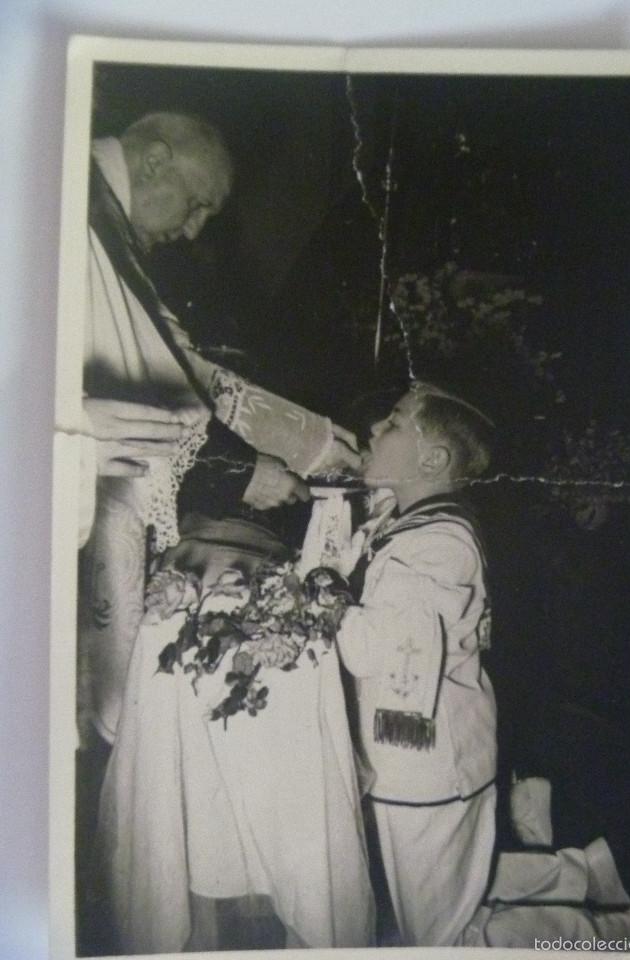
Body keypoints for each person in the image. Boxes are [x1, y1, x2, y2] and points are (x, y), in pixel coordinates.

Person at [80, 111, 372, 953]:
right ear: (157, 154)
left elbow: (191, 376)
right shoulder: (55, 193)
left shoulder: (112, 229)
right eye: (200, 204)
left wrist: (314, 441)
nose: (198, 228)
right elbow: (183, 390)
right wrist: (292, 452)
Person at [336, 382, 497, 946]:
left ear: (433, 460)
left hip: (428, 759)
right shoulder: (404, 523)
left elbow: (368, 648)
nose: (376, 428)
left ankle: (616, 934)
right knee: (431, 896)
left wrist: (329, 602)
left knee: (437, 931)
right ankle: (587, 879)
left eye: (395, 422)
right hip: (405, 753)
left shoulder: (438, 545)